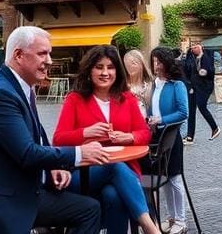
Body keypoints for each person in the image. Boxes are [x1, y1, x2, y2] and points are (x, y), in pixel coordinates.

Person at [0, 26, 108, 234]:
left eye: (49, 53)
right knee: (90, 209)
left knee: (91, 207)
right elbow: (27, 153)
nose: (49, 60)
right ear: (18, 55)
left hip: (22, 188)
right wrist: (80, 153)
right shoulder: (1, 94)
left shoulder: (19, 86)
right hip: (4, 200)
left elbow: (38, 135)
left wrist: (51, 168)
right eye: (42, 53)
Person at [53, 44, 162, 234]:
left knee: (113, 196)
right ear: (89, 71)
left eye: (110, 67)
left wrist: (129, 137)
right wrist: (85, 133)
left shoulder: (126, 98)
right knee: (111, 165)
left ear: (117, 71)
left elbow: (145, 133)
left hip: (125, 172)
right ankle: (150, 227)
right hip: (84, 174)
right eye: (99, 67)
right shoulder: (75, 99)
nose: (105, 73)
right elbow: (58, 139)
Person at [149, 46, 191, 234]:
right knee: (163, 178)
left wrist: (161, 120)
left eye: (158, 61)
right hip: (157, 136)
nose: (155, 65)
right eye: (153, 61)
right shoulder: (153, 84)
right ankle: (171, 217)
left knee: (174, 178)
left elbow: (184, 112)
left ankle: (181, 220)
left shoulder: (177, 85)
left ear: (166, 63)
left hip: (172, 136)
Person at [183, 41, 220, 143]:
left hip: (204, 87)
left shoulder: (206, 56)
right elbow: (186, 71)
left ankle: (215, 127)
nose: (194, 48)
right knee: (191, 110)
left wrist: (205, 72)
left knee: (202, 106)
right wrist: (189, 85)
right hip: (193, 86)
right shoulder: (190, 58)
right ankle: (190, 136)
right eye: (192, 47)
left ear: (201, 47)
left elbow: (211, 71)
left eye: (196, 46)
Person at [123, 48, 154, 118]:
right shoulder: (123, 86)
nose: (129, 67)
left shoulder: (151, 85)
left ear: (141, 64)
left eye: (133, 63)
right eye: (127, 64)